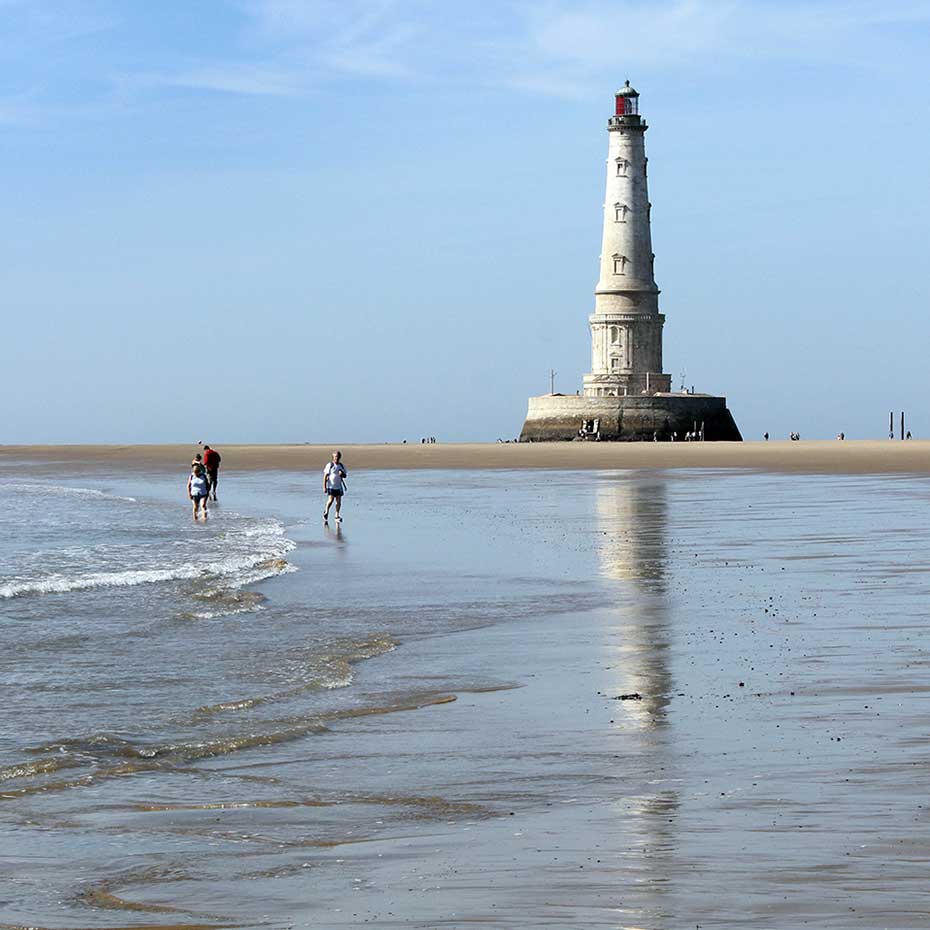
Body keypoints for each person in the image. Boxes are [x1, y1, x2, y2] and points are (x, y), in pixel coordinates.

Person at [323, 450, 347, 523]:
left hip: (339, 487)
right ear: (333, 457)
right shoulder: (330, 465)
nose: (337, 458)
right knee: (330, 500)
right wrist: (324, 487)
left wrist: (342, 474)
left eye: (338, 456)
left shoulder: (341, 466)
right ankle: (326, 511)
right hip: (331, 486)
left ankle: (337, 515)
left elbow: (345, 475)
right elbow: (325, 476)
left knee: (338, 502)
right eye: (335, 456)